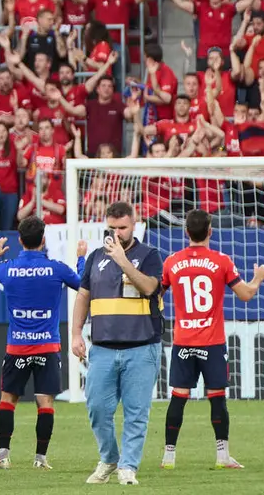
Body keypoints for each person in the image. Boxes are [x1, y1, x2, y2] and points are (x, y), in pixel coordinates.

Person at [159, 210, 264, 470]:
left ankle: (168, 457)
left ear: (186, 232)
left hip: (183, 341)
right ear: (210, 231)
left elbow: (157, 294)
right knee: (217, 397)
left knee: (178, 396)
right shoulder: (221, 261)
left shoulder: (172, 262)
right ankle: (222, 456)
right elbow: (245, 295)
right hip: (212, 342)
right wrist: (258, 278)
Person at [0, 216, 83, 471]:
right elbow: (83, 284)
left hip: (17, 347)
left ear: (20, 240)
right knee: (45, 402)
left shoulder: (8, 268)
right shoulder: (56, 268)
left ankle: (2, 456)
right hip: (48, 346)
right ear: (43, 240)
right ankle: (40, 459)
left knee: (7, 400)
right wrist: (81, 258)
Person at [70, 201, 164, 486]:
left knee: (136, 412)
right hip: (103, 347)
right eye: (112, 228)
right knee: (97, 408)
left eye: (122, 227)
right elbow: (83, 296)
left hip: (142, 346)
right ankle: (110, 457)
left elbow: (150, 287)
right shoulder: (95, 257)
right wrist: (76, 333)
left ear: (134, 225)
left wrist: (123, 261)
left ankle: (128, 466)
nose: (117, 233)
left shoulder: (149, 255)